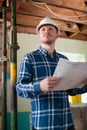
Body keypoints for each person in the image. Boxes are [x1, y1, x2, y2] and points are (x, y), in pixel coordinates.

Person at [16, 17, 87, 130]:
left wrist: (83, 83)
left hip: (66, 124)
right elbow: (19, 88)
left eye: (50, 29)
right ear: (39, 36)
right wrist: (39, 86)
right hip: (43, 125)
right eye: (43, 29)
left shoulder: (63, 59)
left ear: (57, 35)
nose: (46, 31)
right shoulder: (30, 58)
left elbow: (70, 90)